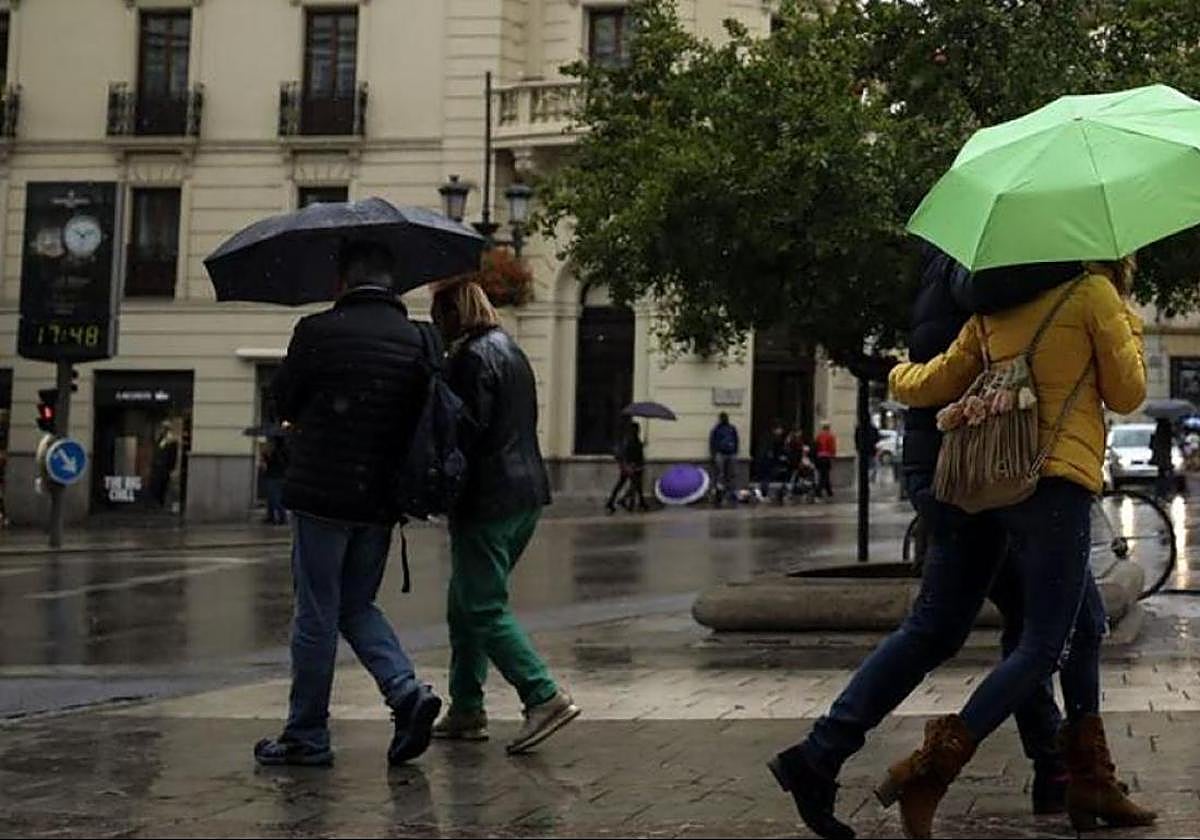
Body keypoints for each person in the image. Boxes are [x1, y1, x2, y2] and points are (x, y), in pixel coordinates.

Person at [768, 251, 1150, 840]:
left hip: (982, 473)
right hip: (1012, 473)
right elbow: (1127, 391)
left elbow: (937, 374)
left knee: (1076, 624)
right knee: (1014, 638)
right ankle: (923, 765)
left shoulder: (979, 283)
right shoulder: (1080, 291)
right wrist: (1126, 323)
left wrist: (892, 372)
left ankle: (1079, 774)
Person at [254, 240, 441, 768]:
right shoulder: (418, 341)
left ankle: (306, 735)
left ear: (341, 281)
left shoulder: (316, 332)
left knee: (315, 613)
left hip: (321, 494)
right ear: (392, 283)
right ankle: (405, 691)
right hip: (381, 499)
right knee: (357, 605)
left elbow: (284, 401)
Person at [430, 280, 580, 753]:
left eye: (439, 317)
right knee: (465, 603)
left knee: (482, 605)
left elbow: (465, 433)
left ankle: (542, 695)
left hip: (487, 497)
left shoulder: (470, 359)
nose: (437, 327)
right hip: (525, 493)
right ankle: (467, 708)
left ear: (453, 314)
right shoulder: (511, 352)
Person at [606, 419, 649, 513]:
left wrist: (642, 445)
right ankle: (631, 504)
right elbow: (634, 453)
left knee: (631, 485)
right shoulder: (632, 440)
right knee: (634, 485)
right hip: (632, 466)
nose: (639, 431)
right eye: (638, 429)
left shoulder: (629, 439)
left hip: (628, 466)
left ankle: (612, 502)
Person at [709, 412, 739, 505]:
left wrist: (714, 454)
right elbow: (736, 440)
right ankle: (725, 494)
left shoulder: (718, 429)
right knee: (726, 475)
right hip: (726, 454)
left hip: (723, 454)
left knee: (723, 474)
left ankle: (724, 493)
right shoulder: (729, 428)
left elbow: (712, 442)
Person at [259, 435, 288, 526]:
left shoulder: (277, 452)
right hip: (280, 476)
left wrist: (266, 456)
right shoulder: (285, 450)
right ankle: (271, 516)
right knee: (272, 498)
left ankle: (282, 517)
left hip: (274, 477)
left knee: (275, 498)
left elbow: (274, 463)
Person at [149, 421, 179, 508]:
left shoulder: (170, 440)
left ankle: (161, 502)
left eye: (164, 428)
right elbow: (158, 450)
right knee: (157, 485)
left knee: (163, 485)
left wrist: (171, 468)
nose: (162, 430)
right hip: (158, 466)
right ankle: (157, 502)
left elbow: (171, 454)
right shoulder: (161, 439)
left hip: (164, 467)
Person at [1150, 418, 1175, 500]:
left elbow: (1152, 445)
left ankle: (1160, 494)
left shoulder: (1158, 428)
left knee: (1161, 474)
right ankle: (1164, 493)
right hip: (1164, 455)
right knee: (1166, 474)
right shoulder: (1166, 428)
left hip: (1160, 455)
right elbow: (1168, 442)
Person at [813, 421, 837, 499]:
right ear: (828, 428)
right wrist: (833, 456)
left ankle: (829, 492)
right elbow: (832, 448)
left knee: (823, 474)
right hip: (826, 457)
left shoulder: (819, 436)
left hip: (819, 457)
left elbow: (815, 447)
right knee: (825, 475)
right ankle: (819, 491)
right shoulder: (830, 436)